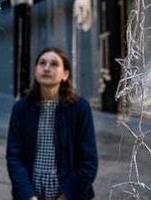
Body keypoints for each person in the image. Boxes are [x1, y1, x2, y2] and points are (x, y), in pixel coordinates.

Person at [6, 47, 98, 200]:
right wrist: (28, 195)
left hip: (69, 194)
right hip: (31, 193)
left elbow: (88, 161)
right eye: (42, 63)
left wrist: (65, 196)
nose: (47, 68)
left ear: (65, 74)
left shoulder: (80, 108)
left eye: (54, 64)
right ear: (35, 70)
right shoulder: (21, 109)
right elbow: (14, 157)